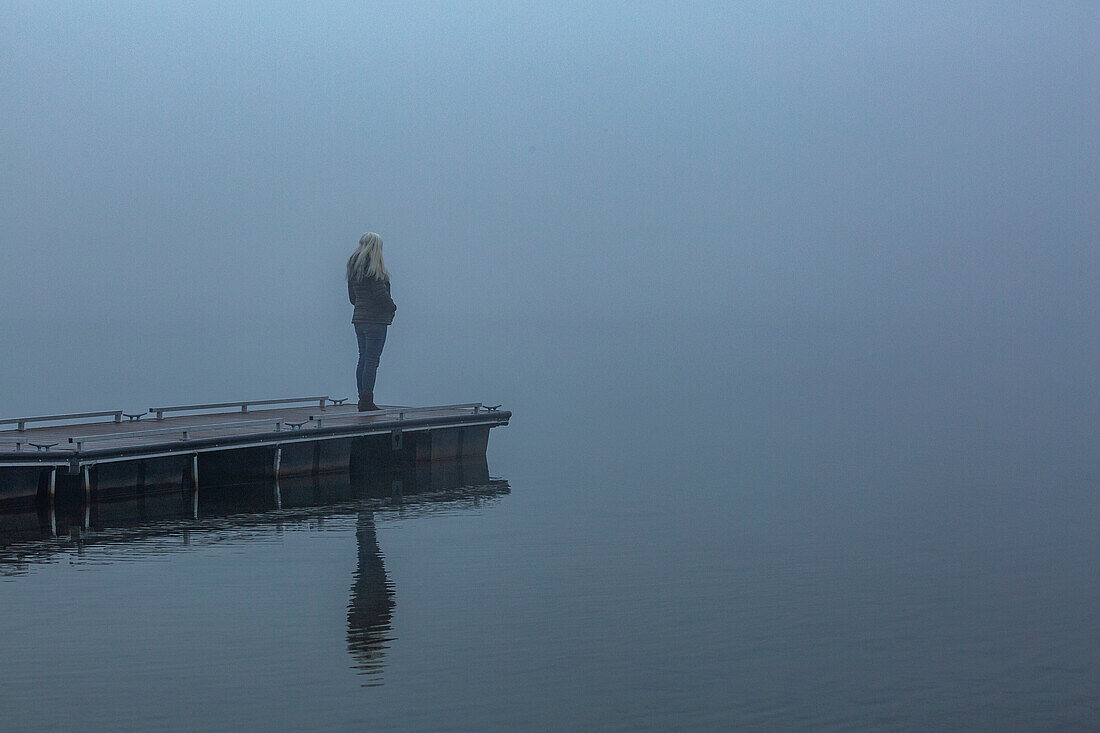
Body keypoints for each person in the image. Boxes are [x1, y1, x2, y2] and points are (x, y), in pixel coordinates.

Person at [347, 232, 396, 411]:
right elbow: (380, 295)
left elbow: (352, 298)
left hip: (359, 320)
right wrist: (392, 307)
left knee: (363, 359)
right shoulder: (374, 268)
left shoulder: (354, 269)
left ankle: (363, 398)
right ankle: (367, 401)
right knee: (372, 360)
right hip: (375, 321)